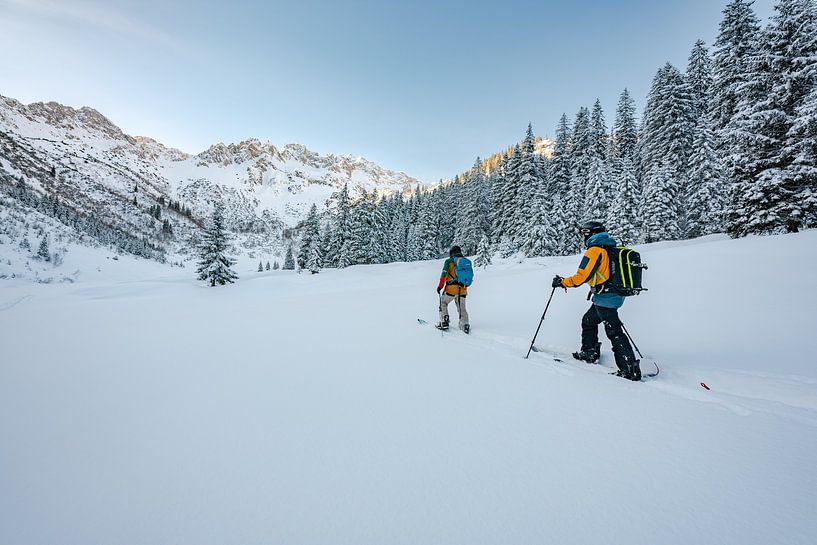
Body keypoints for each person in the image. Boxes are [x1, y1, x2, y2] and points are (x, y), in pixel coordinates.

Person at [552, 220, 642, 381]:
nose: (582, 237)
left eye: (583, 234)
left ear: (589, 234)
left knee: (614, 331)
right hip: (611, 295)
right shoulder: (609, 248)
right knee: (588, 320)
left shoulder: (594, 251)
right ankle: (589, 352)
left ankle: (629, 369)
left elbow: (581, 277)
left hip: (605, 297)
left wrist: (563, 282)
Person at [436, 245, 470, 333]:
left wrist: (440, 287)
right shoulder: (465, 261)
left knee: (443, 302)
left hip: (451, 290)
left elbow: (444, 276)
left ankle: (444, 321)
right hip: (463, 290)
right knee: (462, 308)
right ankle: (465, 324)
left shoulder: (449, 262)